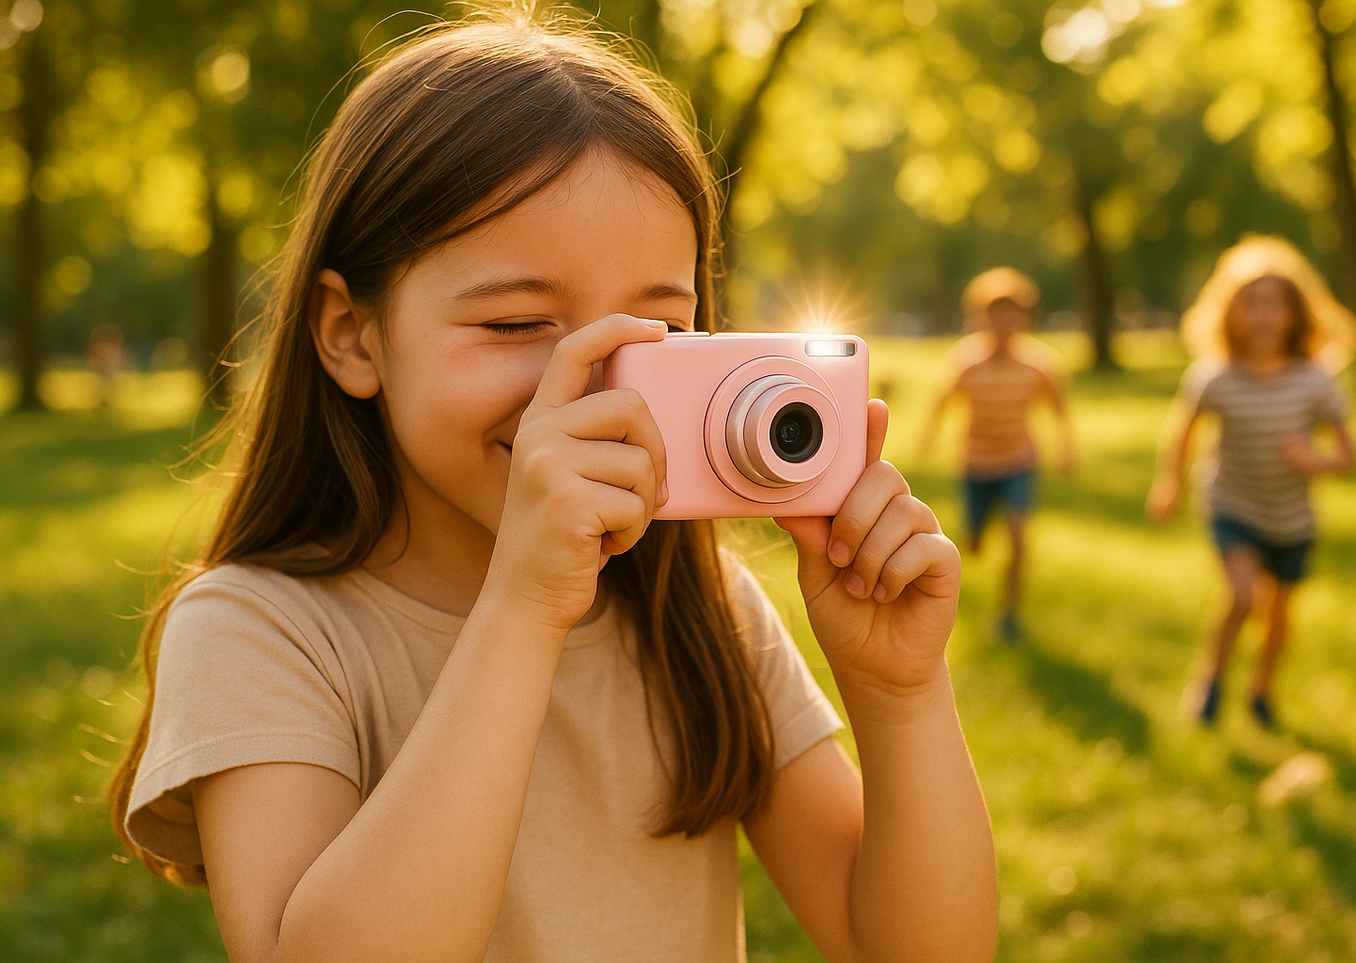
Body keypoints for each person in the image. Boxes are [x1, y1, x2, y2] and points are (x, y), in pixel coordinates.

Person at [106, 17, 997, 963]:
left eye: (656, 328)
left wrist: (898, 694)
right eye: (518, 322)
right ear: (352, 334)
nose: (595, 382)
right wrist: (526, 606)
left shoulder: (701, 608)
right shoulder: (257, 631)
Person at [1148, 237, 1356, 728]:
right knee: (1242, 595)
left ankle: (1261, 686)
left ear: (1296, 314)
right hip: (1231, 501)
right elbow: (1183, 433)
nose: (1262, 316)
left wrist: (1314, 460)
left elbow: (1351, 455)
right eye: (1250, 304)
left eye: (1274, 304)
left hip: (1292, 515)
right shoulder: (1215, 376)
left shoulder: (1316, 379)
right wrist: (1169, 485)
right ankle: (1211, 680)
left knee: (1279, 613)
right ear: (1229, 313)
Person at [920, 267, 1074, 642]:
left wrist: (1066, 446)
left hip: (1018, 462)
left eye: (1012, 313)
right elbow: (941, 400)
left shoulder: (1039, 364)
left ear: (1024, 318)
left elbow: (1059, 409)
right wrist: (929, 434)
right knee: (973, 541)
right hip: (975, 463)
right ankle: (975, 532)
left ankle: (1009, 614)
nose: (1003, 321)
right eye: (994, 313)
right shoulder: (966, 361)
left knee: (1019, 537)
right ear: (980, 317)